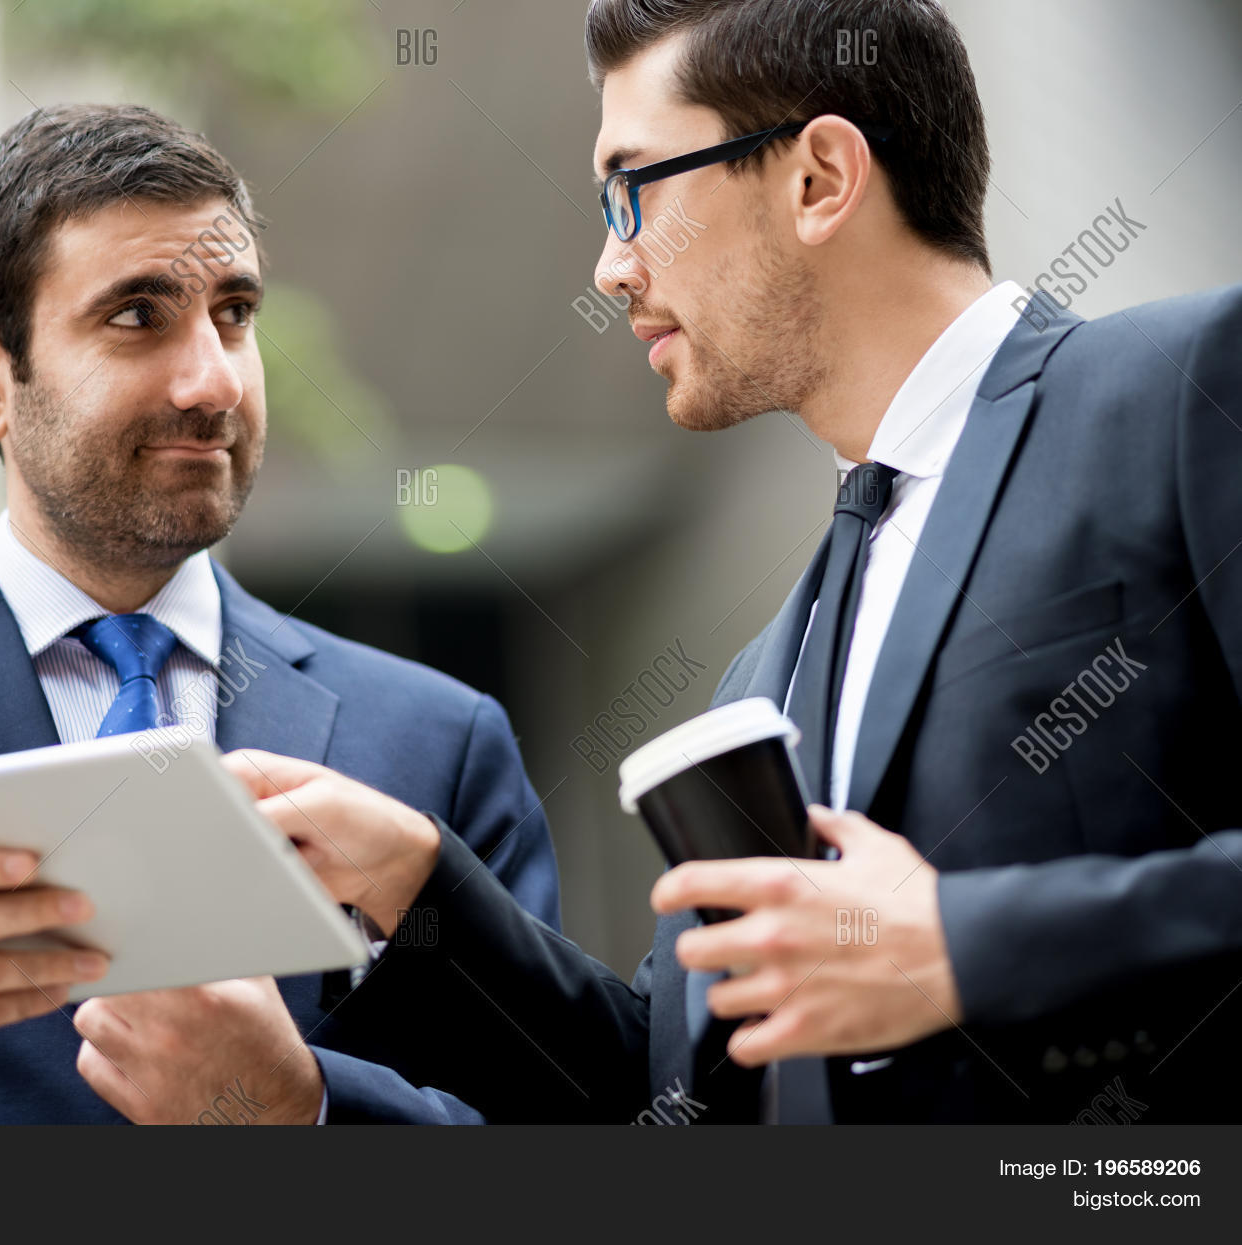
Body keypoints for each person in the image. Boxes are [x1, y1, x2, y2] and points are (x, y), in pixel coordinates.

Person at [227, 0, 1242, 1123]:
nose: (611, 267)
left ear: (819, 179)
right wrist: (419, 893)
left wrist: (966, 948)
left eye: (633, 189)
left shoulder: (1186, 389)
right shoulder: (765, 672)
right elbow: (669, 1088)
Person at [0, 103, 558, 1126]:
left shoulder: (441, 742)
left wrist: (303, 1110)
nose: (214, 380)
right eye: (137, 315)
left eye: (235, 312)